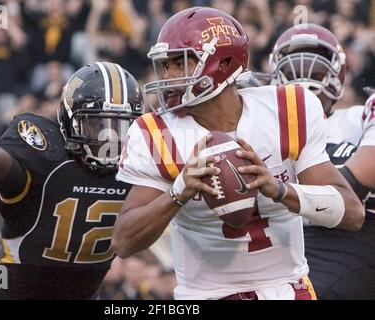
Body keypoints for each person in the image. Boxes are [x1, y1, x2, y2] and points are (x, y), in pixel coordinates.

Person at [112, 7, 364, 300]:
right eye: (166, 65)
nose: (169, 75)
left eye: (180, 63)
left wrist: (280, 190)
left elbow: (353, 213)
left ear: (224, 63)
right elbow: (123, 241)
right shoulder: (156, 134)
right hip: (207, 294)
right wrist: (178, 193)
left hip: (288, 288)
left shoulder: (286, 111)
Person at [0, 62, 143, 299]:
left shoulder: (139, 167)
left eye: (120, 126)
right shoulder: (45, 151)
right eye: (97, 124)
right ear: (69, 118)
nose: (109, 138)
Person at [270, 23, 375, 299]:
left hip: (352, 235)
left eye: (315, 72)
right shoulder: (260, 128)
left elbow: (355, 187)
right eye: (292, 73)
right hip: (282, 242)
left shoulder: (358, 117)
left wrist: (282, 192)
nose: (302, 80)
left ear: (337, 76)